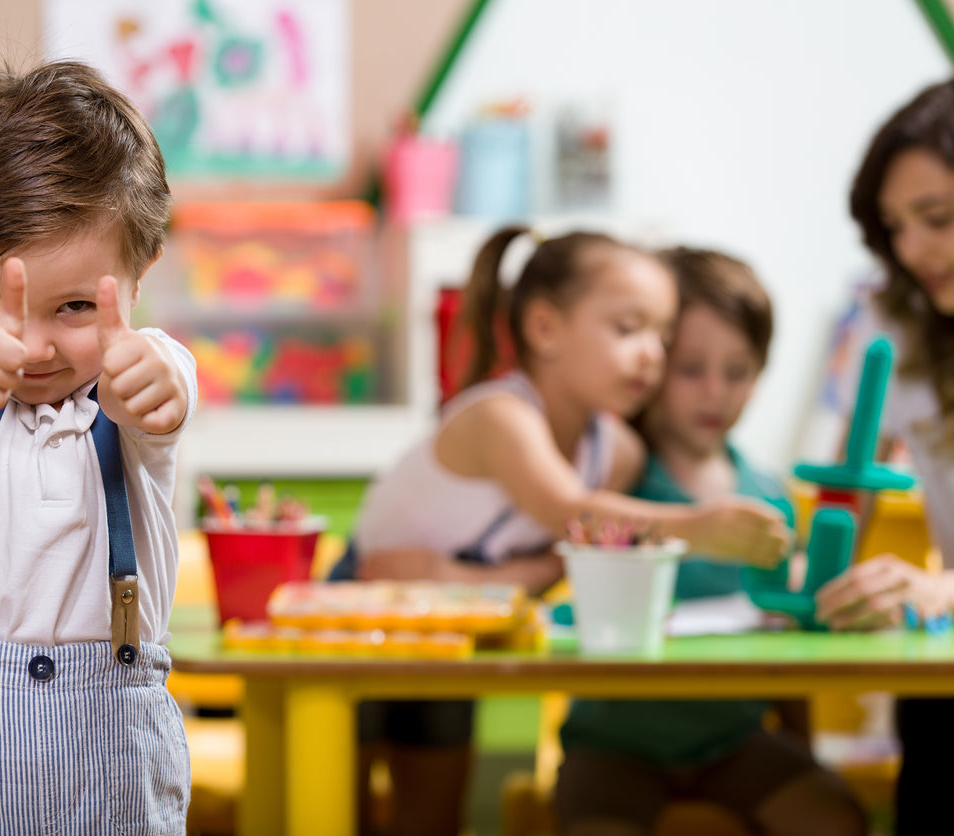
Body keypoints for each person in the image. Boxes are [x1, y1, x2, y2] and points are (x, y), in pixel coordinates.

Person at [344, 227, 791, 836]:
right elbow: (572, 517)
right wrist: (696, 527)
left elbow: (569, 556)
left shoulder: (618, 452)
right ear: (546, 329)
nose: (651, 355)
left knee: (430, 819)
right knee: (336, 809)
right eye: (629, 329)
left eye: (662, 336)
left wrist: (461, 581)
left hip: (455, 624)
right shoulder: (501, 416)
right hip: (355, 610)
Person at [0, 60, 197, 834]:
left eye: (78, 306)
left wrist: (143, 394)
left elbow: (163, 393)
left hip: (114, 764)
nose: (29, 345)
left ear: (141, 269)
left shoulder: (146, 368)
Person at [555, 247, 867, 836]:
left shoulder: (768, 494)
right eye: (691, 369)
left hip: (735, 744)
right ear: (651, 365)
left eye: (739, 371)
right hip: (612, 748)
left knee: (837, 818)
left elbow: (789, 645)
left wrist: (803, 747)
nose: (715, 393)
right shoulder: (618, 480)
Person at [816, 78, 954, 835]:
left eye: (936, 219)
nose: (913, 249)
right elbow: (850, 479)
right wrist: (817, 583)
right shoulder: (898, 321)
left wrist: (942, 591)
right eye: (896, 227)